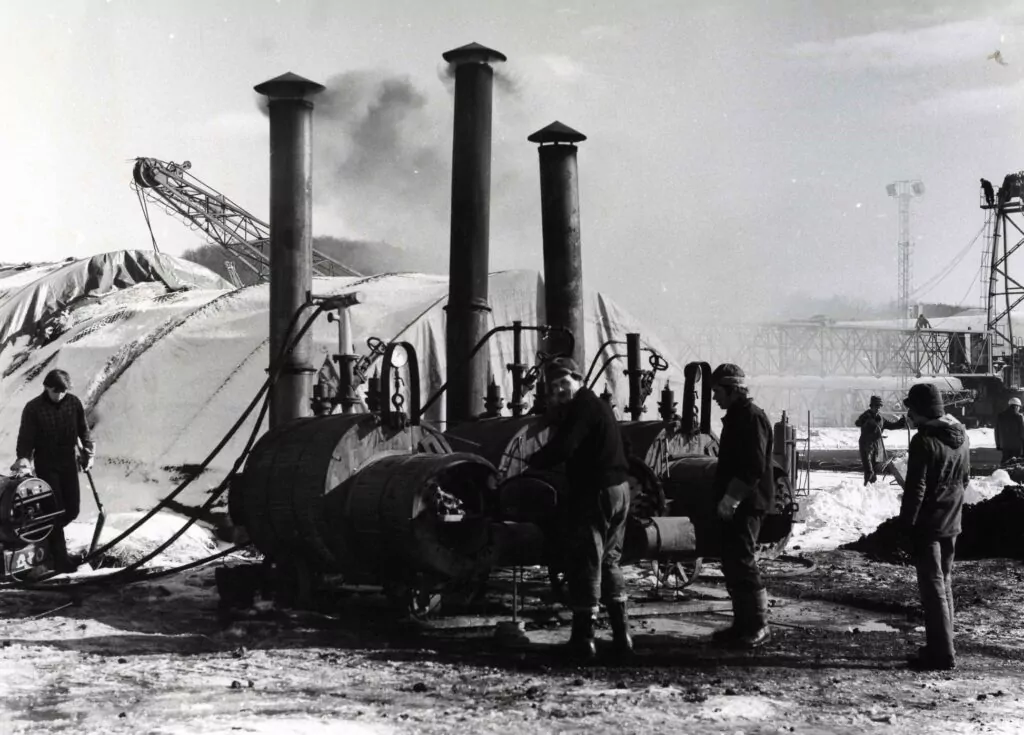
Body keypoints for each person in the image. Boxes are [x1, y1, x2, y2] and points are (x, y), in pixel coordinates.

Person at [526, 356, 632, 661]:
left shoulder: (582, 406)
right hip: (620, 489)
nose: (559, 390)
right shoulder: (599, 405)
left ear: (579, 379)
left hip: (596, 491)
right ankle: (622, 636)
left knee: (587, 560)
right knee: (610, 561)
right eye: (553, 386)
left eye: (564, 383)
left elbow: (566, 446)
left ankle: (584, 639)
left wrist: (536, 462)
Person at [900, 383, 970, 671]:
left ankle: (941, 654)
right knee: (945, 584)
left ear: (922, 411)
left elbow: (915, 490)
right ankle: (944, 647)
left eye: (912, 411)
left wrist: (905, 527)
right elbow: (965, 479)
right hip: (952, 520)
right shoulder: (962, 435)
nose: (910, 416)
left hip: (929, 523)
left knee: (933, 589)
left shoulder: (923, 441)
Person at [708, 363, 774, 649]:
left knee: (744, 561)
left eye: (717, 391)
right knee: (733, 560)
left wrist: (731, 497)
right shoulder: (737, 416)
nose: (714, 398)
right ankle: (742, 624)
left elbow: (753, 466)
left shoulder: (751, 418)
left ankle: (759, 626)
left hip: (748, 502)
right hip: (738, 502)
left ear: (733, 390)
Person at [12, 369, 95, 573]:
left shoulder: (73, 403)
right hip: (46, 464)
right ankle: (59, 559)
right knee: (55, 511)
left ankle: (47, 542)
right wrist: (24, 460)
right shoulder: (33, 408)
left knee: (72, 510)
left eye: (63, 391)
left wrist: (88, 452)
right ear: (46, 388)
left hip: (68, 462)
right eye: (55, 391)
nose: (59, 395)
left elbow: (83, 430)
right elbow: (25, 440)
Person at [854, 395, 907, 485]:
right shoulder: (866, 415)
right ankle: (866, 487)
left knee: (874, 470)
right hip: (866, 445)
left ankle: (872, 488)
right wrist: (867, 421)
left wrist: (901, 423)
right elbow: (857, 423)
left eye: (879, 407)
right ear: (871, 406)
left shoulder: (880, 419)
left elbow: (891, 426)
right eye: (876, 406)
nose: (877, 408)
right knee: (869, 470)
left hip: (877, 446)